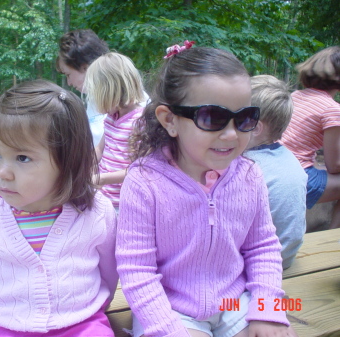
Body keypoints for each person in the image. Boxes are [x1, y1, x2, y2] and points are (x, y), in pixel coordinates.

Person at [116, 42, 296, 337]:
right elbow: (137, 270)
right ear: (170, 120)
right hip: (170, 308)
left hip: (233, 300)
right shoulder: (144, 182)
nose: (231, 133)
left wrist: (267, 309)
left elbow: (262, 247)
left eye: (245, 118)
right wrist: (167, 328)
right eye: (212, 118)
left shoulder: (249, 175)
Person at [0, 79, 118, 337]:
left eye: (22, 158)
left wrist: (97, 309)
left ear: (67, 161)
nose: (2, 173)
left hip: (82, 322)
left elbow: (109, 271)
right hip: (7, 324)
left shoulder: (95, 211)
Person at [245, 75, 307, 269]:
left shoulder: (246, 167)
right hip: (287, 255)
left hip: (259, 264)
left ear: (254, 127)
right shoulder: (287, 157)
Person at [280, 46, 340, 229]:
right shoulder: (332, 109)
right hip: (297, 176)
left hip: (277, 166)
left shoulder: (295, 95)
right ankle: (332, 241)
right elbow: (334, 164)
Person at [84, 52, 145, 210]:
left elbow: (139, 169)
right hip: (104, 198)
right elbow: (100, 149)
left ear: (110, 92)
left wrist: (101, 179)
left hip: (124, 204)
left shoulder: (140, 123)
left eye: (96, 95)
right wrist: (83, 164)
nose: (95, 101)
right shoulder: (111, 118)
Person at [57, 29, 110, 146]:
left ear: (86, 67)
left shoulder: (128, 105)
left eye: (68, 75)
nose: (69, 83)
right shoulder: (93, 100)